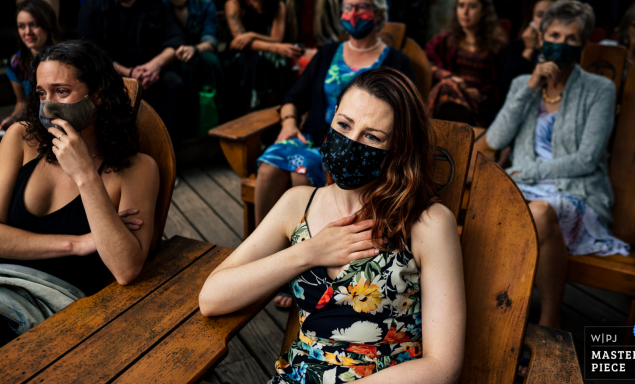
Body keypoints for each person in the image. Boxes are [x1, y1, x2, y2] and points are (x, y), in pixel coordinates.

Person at [199, 67, 466, 383]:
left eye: (371, 136)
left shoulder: (428, 225)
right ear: (332, 117)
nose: (350, 142)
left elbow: (442, 365)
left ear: (398, 148)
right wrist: (308, 253)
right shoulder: (298, 204)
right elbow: (212, 299)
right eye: (344, 124)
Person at [0, 39, 159, 378]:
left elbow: (126, 268)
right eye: (40, 93)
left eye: (61, 91)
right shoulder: (21, 139)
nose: (48, 106)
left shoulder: (136, 169)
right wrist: (78, 243)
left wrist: (85, 174)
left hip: (53, 309)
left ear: (96, 95)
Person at [255, 0, 414, 283]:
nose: (353, 14)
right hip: (314, 138)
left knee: (302, 169)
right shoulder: (328, 52)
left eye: (362, 7)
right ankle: (268, 260)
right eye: (348, 7)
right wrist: (289, 121)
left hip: (359, 149)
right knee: (269, 163)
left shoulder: (396, 61)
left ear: (379, 13)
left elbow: (406, 118)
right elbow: (293, 97)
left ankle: (302, 271)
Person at [486, 0, 630, 331]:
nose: (561, 44)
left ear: (583, 45)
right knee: (501, 209)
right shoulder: (523, 85)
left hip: (574, 192)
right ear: (541, 37)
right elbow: (496, 138)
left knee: (538, 212)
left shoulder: (599, 90)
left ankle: (548, 320)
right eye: (554, 35)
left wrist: (526, 174)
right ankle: (499, 313)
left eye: (571, 39)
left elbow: (587, 158)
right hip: (521, 187)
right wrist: (531, 86)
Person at [78, 0, 186, 147]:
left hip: (150, 75)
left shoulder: (156, 5)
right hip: (110, 76)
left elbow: (175, 41)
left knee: (174, 84)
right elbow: (90, 55)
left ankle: (170, 154)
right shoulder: (91, 8)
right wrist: (128, 73)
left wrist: (155, 66)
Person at [425, 0, 507, 127]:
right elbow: (425, 62)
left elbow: (501, 84)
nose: (465, 12)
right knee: (446, 87)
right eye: (461, 5)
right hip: (446, 100)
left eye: (472, 6)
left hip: (478, 107)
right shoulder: (446, 40)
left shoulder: (497, 45)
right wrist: (449, 77)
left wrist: (482, 95)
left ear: (484, 10)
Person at [160, 0, 224, 134]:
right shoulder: (159, 5)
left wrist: (194, 49)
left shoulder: (204, 4)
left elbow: (210, 40)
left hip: (199, 56)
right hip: (171, 59)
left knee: (209, 60)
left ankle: (216, 119)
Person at [225, 0, 302, 111]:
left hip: (268, 53)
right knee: (255, 60)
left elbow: (277, 38)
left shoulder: (277, 4)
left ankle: (275, 108)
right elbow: (241, 42)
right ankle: (251, 110)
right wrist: (275, 47)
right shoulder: (234, 4)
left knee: (277, 59)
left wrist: (251, 35)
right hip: (238, 54)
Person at [0, 0, 62, 133]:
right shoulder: (16, 62)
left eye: (34, 25)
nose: (27, 32)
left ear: (47, 24)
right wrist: (13, 118)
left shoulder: (67, 58)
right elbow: (22, 102)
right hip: (36, 123)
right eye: (21, 26)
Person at [501, 0, 561, 94]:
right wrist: (529, 49)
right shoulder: (514, 47)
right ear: (532, 20)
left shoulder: (566, 49)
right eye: (540, 15)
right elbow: (508, 88)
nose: (545, 20)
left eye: (551, 15)